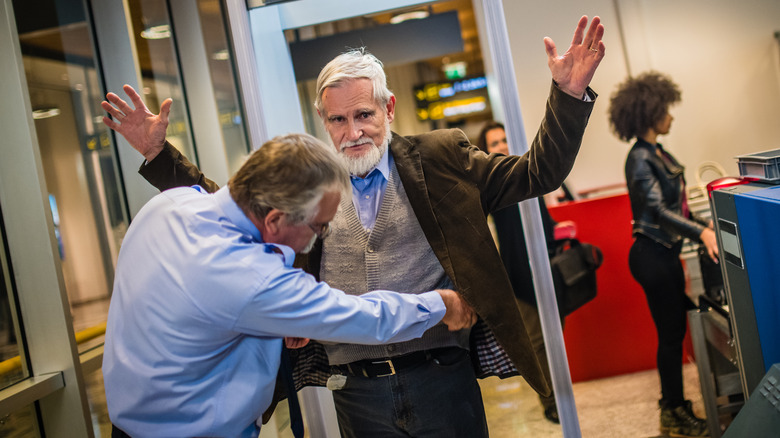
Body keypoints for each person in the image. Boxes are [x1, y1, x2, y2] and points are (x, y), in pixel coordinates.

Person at [103, 15, 605, 437]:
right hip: (355, 390)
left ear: (389, 108)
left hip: (441, 378)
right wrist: (157, 154)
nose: (353, 132)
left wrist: (568, 95)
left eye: (364, 114)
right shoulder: (311, 185)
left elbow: (537, 173)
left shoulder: (439, 158)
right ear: (323, 119)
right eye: (338, 120)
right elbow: (237, 204)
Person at [102, 133, 477, 437]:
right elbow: (364, 317)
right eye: (319, 228)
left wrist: (272, 325)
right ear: (277, 219)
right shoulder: (252, 278)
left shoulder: (169, 205)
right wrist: (441, 303)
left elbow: (198, 317)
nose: (320, 239)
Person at [608, 71, 718, 438]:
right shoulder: (640, 158)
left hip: (663, 253)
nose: (671, 115)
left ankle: (674, 406)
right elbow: (657, 212)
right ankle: (672, 412)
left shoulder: (657, 153)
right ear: (650, 113)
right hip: (651, 256)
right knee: (671, 335)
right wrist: (702, 232)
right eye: (666, 109)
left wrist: (706, 225)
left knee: (675, 329)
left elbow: (678, 208)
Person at [476, 121, 561, 424]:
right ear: (485, 150)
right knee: (536, 341)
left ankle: (561, 393)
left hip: (544, 270)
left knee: (555, 337)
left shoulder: (527, 174)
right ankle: (549, 400)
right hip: (516, 277)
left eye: (503, 140)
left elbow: (545, 220)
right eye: (493, 143)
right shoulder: (489, 187)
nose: (500, 146)